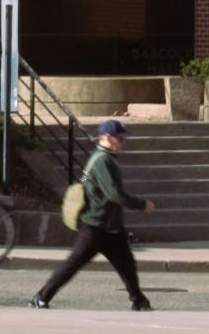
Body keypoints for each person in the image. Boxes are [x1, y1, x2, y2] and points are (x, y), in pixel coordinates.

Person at [29, 120, 157, 311]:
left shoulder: (101, 157)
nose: (123, 142)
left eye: (123, 138)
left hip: (109, 225)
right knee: (73, 263)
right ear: (105, 138)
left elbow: (84, 179)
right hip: (96, 225)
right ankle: (40, 297)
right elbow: (114, 194)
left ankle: (139, 300)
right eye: (119, 138)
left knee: (127, 265)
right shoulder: (103, 160)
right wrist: (141, 204)